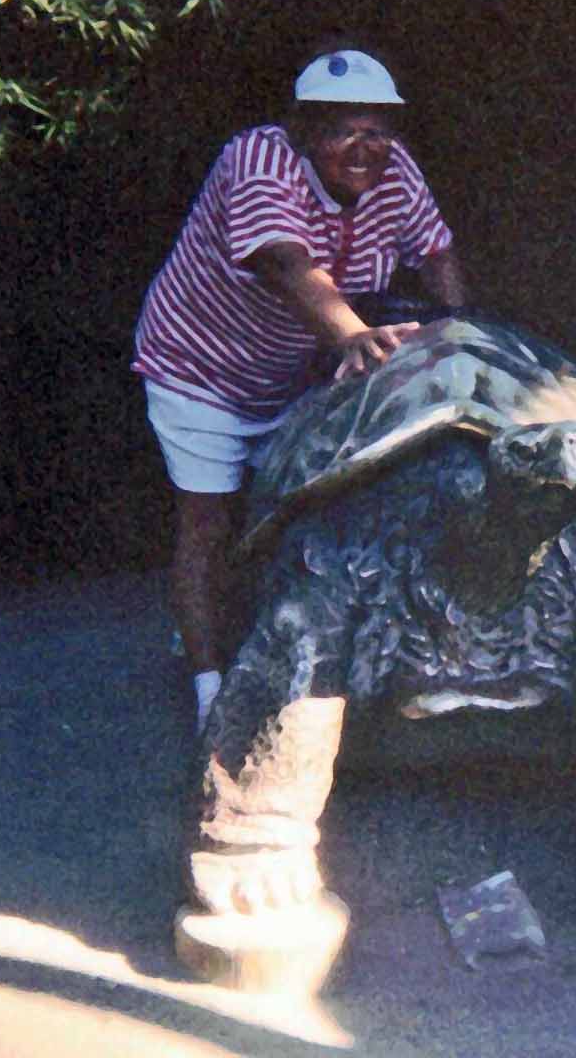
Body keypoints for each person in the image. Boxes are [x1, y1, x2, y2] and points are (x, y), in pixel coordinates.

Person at [132, 48, 467, 731]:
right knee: (208, 523)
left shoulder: (394, 169)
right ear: (304, 131)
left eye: (376, 129)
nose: (364, 147)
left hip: (294, 371)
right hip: (200, 371)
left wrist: (462, 336)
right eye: (343, 129)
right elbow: (284, 261)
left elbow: (434, 250)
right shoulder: (257, 160)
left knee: (304, 516)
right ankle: (208, 689)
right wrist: (352, 334)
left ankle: (303, 657)